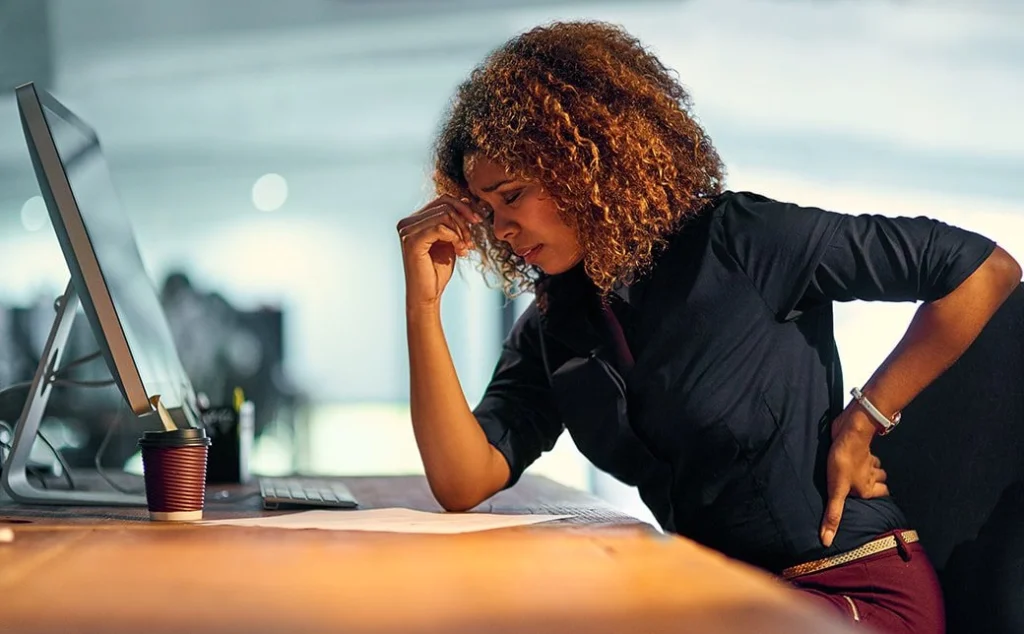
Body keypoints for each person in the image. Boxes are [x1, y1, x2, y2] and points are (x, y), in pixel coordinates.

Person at [396, 21, 1021, 633]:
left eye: (513, 195)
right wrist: (424, 307)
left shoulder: (742, 242)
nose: (500, 230)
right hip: (724, 596)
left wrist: (867, 416)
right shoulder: (557, 325)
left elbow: (982, 270)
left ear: (584, 163)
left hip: (848, 589)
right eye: (487, 210)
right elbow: (463, 478)